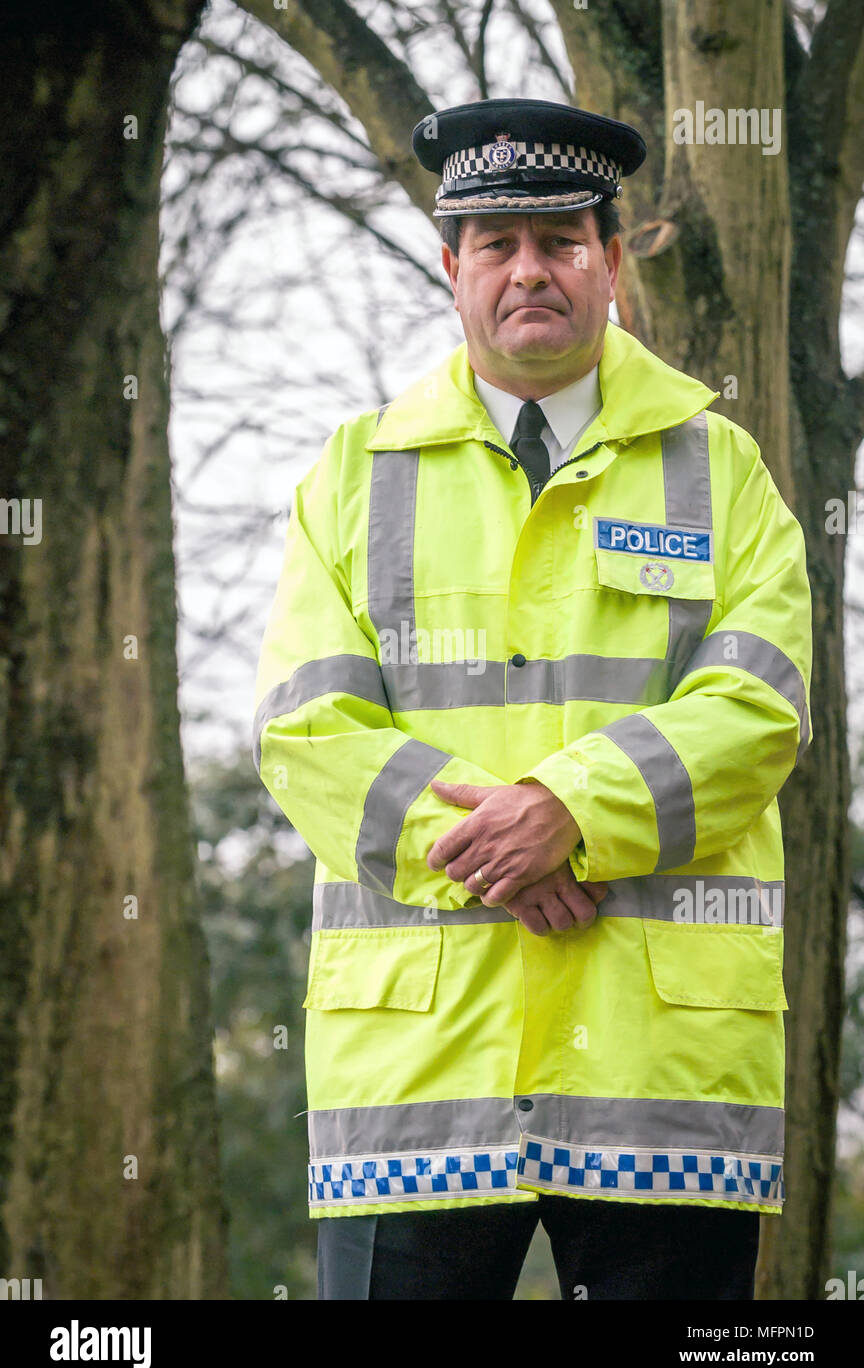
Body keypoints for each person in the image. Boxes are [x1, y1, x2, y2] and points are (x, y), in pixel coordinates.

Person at [252, 97, 813, 1300]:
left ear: (612, 261)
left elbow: (758, 707)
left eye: (560, 240)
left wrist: (570, 807)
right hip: (418, 1076)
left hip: (662, 1072)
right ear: (452, 268)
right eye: (497, 245)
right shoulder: (351, 476)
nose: (530, 271)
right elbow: (306, 734)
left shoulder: (725, 473)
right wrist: (506, 849)